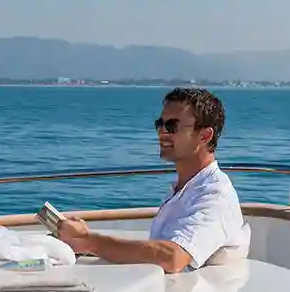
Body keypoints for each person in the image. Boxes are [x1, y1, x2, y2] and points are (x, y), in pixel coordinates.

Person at [55, 87, 246, 273]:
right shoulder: (184, 189)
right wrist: (83, 244)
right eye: (159, 125)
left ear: (204, 136)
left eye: (172, 126)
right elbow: (161, 252)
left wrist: (88, 241)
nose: (162, 132)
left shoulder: (215, 195)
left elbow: (173, 258)